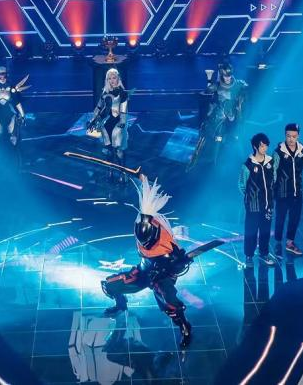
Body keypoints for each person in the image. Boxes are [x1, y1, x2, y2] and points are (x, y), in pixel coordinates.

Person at [100, 176, 194, 350]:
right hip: (143, 271)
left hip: (162, 276)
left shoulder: (166, 240)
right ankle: (121, 305)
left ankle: (184, 327)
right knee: (109, 284)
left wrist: (178, 263)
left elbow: (179, 265)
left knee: (171, 303)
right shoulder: (140, 226)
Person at [190, 61, 248, 168]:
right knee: (217, 138)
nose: (227, 78)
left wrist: (240, 102)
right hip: (220, 117)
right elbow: (207, 92)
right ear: (221, 75)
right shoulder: (217, 86)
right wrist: (209, 83)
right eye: (225, 76)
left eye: (229, 75)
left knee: (237, 137)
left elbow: (245, 90)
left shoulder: (238, 84)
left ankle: (242, 161)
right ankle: (214, 162)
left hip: (234, 116)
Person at [238, 133, 277, 266]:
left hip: (268, 204)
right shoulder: (247, 165)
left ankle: (264, 254)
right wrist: (251, 197)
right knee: (251, 231)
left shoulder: (271, 162)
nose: (265, 148)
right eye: (262, 146)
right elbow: (242, 185)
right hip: (253, 205)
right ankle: (249, 256)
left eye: (266, 145)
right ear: (255, 146)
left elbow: (274, 179)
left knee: (265, 230)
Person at [88, 68, 129, 180]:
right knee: (108, 150)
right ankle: (110, 170)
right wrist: (93, 120)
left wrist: (123, 122)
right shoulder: (105, 93)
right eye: (109, 78)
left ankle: (123, 173)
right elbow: (98, 107)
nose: (112, 80)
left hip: (118, 123)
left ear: (118, 78)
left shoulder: (123, 93)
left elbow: (124, 110)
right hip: (106, 123)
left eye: (114, 78)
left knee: (119, 150)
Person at [272, 123, 303, 257]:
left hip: (297, 192)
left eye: (294, 136)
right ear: (285, 135)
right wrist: (274, 191)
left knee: (294, 218)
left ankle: (290, 242)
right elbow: (273, 172)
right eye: (288, 136)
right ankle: (277, 241)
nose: (291, 139)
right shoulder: (278, 152)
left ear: (298, 136)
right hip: (282, 192)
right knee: (280, 218)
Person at [0, 66, 26, 154]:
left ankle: (16, 156)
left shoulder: (12, 88)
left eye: (4, 76)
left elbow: (17, 103)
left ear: (7, 76)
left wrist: (22, 115)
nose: (2, 78)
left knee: (13, 138)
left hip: (11, 114)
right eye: (0, 76)